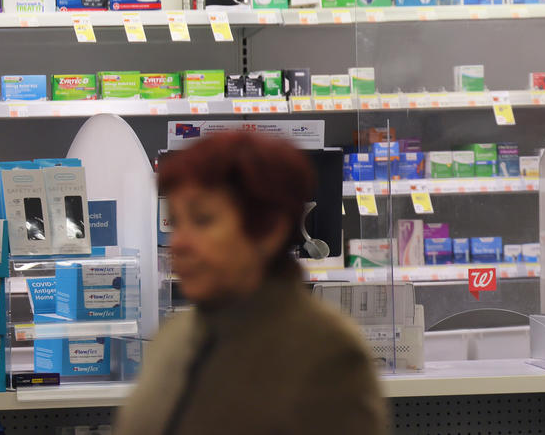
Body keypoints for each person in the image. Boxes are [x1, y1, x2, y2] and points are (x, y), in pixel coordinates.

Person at [115, 131, 387, 435]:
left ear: (268, 230)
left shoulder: (327, 353)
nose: (178, 243)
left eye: (203, 220)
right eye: (176, 223)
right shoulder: (172, 340)